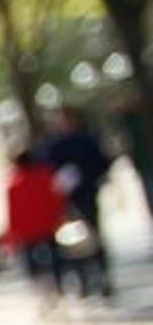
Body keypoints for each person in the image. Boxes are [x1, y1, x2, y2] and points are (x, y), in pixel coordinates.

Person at [37, 107, 114, 300]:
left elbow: (102, 163)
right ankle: (82, 281)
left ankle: (103, 278)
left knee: (94, 238)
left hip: (87, 194)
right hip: (65, 201)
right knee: (71, 243)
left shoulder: (87, 140)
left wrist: (89, 178)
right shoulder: (53, 145)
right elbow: (46, 170)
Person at [1, 149, 67, 314]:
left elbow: (12, 212)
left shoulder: (13, 184)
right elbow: (55, 201)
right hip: (47, 226)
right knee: (55, 259)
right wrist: (58, 220)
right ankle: (58, 289)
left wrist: (12, 233)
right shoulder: (44, 177)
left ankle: (42, 294)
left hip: (27, 231)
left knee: (32, 265)